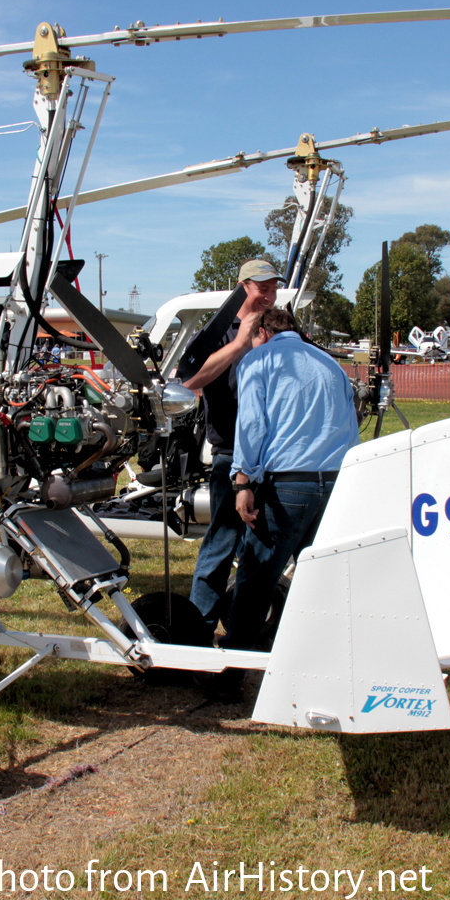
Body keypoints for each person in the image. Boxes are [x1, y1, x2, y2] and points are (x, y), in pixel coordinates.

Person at [226, 307, 359, 649]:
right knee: (323, 579)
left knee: (256, 578)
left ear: (263, 333)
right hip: (335, 480)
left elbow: (252, 426)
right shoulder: (331, 365)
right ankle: (320, 656)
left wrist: (242, 482)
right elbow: (350, 424)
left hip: (288, 483)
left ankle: (233, 667)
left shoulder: (259, 361)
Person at [177, 259, 282, 633]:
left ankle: (248, 630)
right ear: (242, 287)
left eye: (273, 288)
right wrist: (240, 344)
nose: (268, 295)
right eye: (261, 287)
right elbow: (189, 381)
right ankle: (196, 631)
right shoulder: (219, 331)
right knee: (221, 544)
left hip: (274, 457)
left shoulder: (278, 327)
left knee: (261, 548)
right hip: (230, 456)